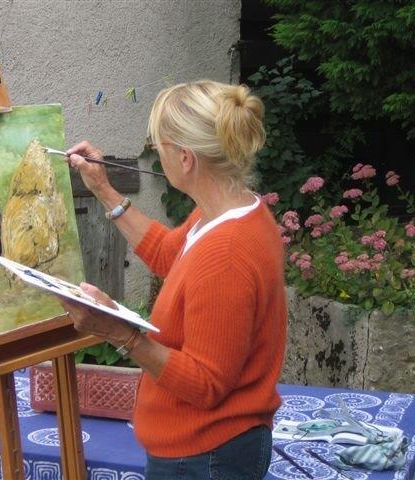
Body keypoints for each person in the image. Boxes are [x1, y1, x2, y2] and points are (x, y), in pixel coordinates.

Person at [58, 80, 287, 479]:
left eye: (157, 145)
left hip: (205, 454)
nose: (155, 153)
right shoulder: (230, 210)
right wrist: (103, 188)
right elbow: (169, 254)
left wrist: (119, 331)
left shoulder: (227, 250)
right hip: (206, 447)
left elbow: (205, 384)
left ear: (184, 158)